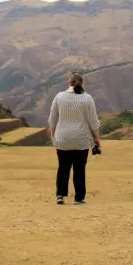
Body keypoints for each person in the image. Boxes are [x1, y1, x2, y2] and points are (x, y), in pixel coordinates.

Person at [47, 72, 100, 205]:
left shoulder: (59, 97)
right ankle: (79, 198)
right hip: (81, 139)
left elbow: (52, 119)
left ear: (68, 82)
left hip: (62, 138)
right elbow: (93, 122)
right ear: (81, 83)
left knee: (63, 167)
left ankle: (60, 195)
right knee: (79, 169)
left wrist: (53, 135)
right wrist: (97, 139)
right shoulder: (87, 98)